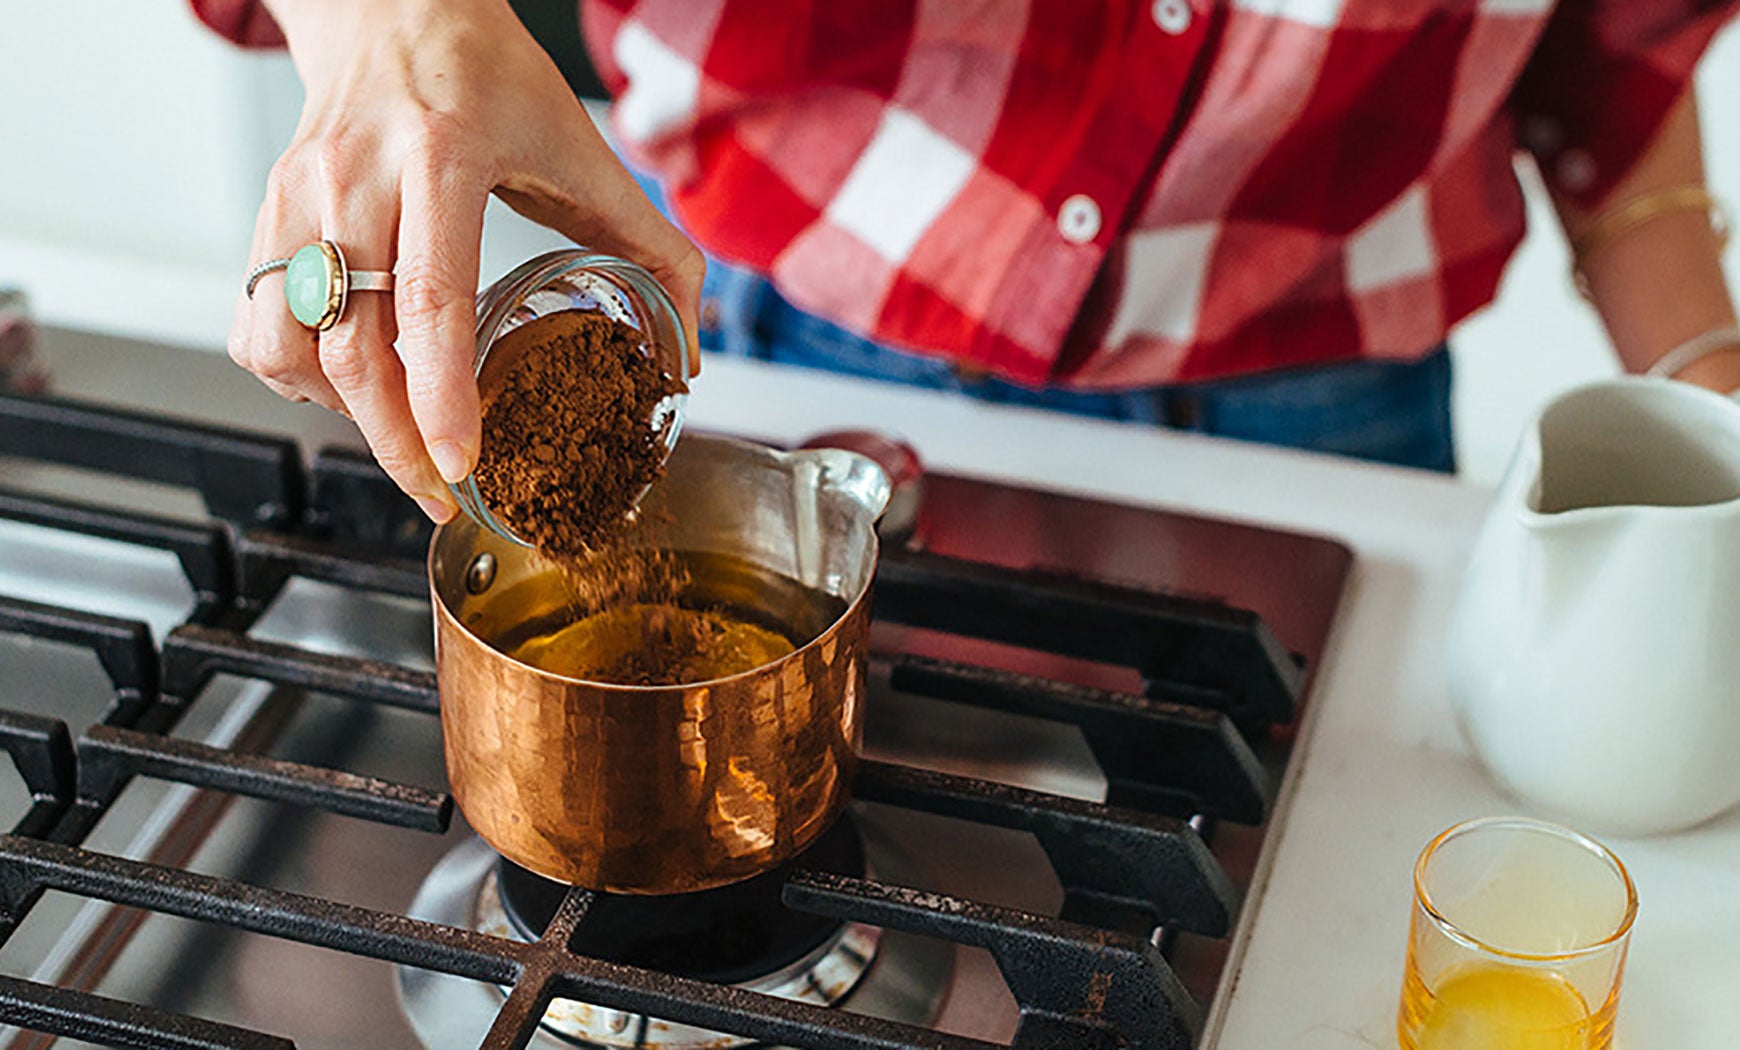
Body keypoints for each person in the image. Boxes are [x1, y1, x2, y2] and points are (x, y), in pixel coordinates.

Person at [195, 0, 1739, 522]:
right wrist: (390, 27)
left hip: (1329, 400)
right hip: (770, 317)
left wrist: (1708, 401)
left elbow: (1617, 54)